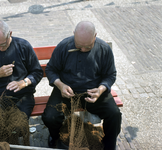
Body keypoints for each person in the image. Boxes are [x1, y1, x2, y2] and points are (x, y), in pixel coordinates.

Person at [41, 21, 122, 150]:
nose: (83, 50)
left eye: (88, 47)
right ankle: (55, 136)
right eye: (79, 46)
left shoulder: (103, 48)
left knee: (114, 115)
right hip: (65, 90)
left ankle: (109, 143)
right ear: (74, 35)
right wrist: (60, 85)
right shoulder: (63, 46)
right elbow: (51, 70)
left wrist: (101, 89)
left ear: (95, 36)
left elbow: (110, 75)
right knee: (50, 117)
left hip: (93, 92)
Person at [0, 20, 43, 120]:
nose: (0, 48)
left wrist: (23, 83)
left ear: (10, 34)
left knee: (16, 127)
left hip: (22, 96)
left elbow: (37, 72)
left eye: (2, 44)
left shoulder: (23, 46)